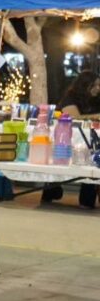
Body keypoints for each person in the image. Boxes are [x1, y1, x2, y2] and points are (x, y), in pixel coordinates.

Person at [43, 69, 100, 207]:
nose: (98, 88)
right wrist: (95, 116)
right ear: (85, 85)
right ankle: (51, 191)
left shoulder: (97, 99)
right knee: (60, 161)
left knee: (93, 161)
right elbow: (73, 117)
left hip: (90, 138)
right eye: (95, 85)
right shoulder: (71, 97)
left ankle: (87, 199)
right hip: (66, 137)